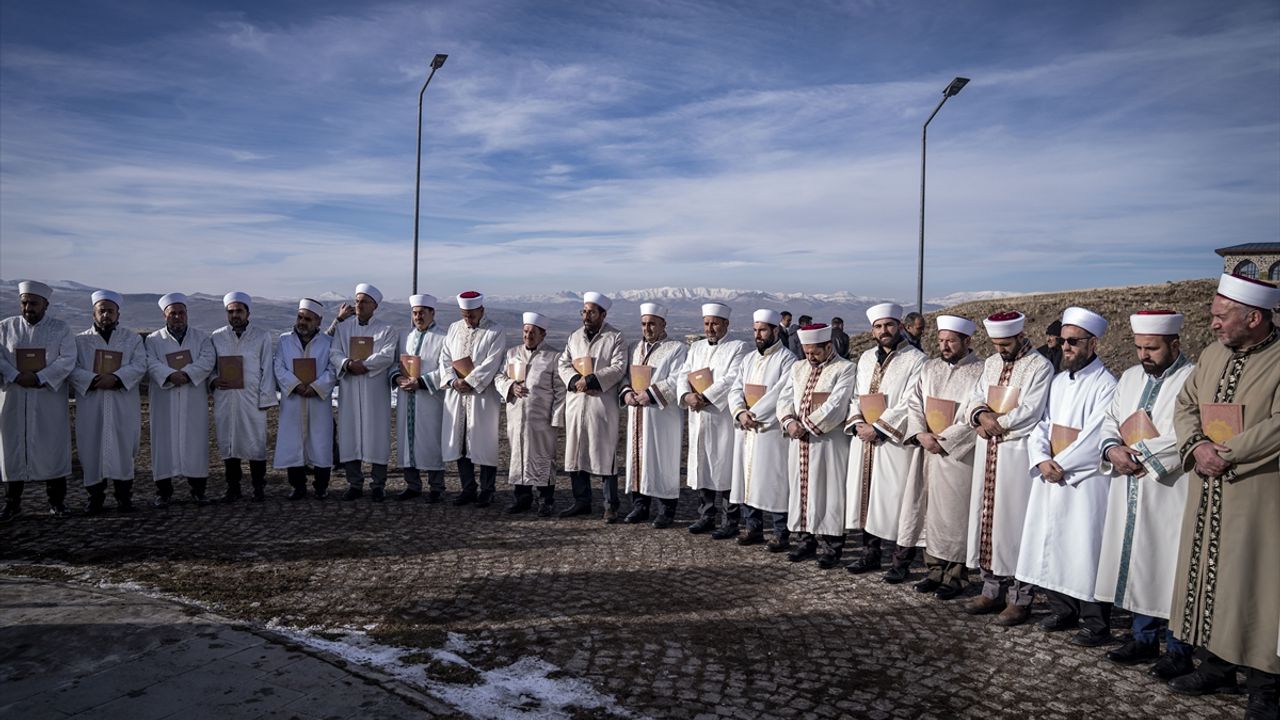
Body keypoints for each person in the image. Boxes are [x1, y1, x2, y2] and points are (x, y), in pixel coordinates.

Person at [1168, 273, 1279, 712]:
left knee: (1259, 584)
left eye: (1221, 316)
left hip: (1257, 492)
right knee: (1210, 576)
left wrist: (1227, 454)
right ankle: (1215, 667)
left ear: (1254, 318)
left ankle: (1265, 686)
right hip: (1208, 489)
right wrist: (1197, 446)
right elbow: (1185, 405)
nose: (1212, 324)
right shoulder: (1213, 355)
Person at [1094, 310, 1194, 678]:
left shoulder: (1193, 377)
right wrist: (1111, 449)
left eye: (1152, 348)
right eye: (1139, 348)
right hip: (1128, 481)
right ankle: (1143, 638)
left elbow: (1190, 431)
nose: (1143, 355)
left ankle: (1178, 649)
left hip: (1170, 486)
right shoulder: (1130, 377)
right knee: (1136, 557)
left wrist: (1143, 456)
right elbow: (1110, 419)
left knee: (1169, 564)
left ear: (1174, 344)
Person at [1017, 307, 1118, 647]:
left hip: (1084, 481)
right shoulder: (1059, 381)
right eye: (1063, 341)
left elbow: (1097, 435)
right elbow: (1042, 424)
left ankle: (1095, 622)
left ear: (1093, 343)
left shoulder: (1107, 385)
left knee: (1084, 547)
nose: (1066, 347)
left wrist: (1059, 464)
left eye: (1073, 341)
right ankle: (1063, 609)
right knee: (1052, 541)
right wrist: (1041, 458)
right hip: (1052, 474)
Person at [960, 311, 1054, 627]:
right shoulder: (990, 363)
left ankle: (1020, 598)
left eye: (1006, 344)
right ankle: (991, 590)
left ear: (1020, 336)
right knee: (988, 520)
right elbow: (975, 397)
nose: (1000, 350)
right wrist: (979, 416)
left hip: (1016, 455)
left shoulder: (1039, 366)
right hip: (988, 451)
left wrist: (994, 423)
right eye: (996, 344)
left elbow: (1031, 410)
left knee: (1016, 525)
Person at [844, 302, 927, 583]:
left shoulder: (916, 359)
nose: (884, 331)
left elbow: (911, 402)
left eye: (889, 325)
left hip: (893, 443)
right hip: (864, 440)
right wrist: (858, 423)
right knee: (866, 498)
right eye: (878, 327)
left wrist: (878, 428)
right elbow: (856, 395)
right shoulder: (866, 358)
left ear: (900, 326)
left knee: (897, 500)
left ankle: (901, 561)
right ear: (872, 331)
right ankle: (870, 553)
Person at [903, 315, 983, 600]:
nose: (944, 346)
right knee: (928, 510)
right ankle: (934, 570)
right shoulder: (930, 367)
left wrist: (945, 440)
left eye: (951, 341)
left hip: (956, 455)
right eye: (940, 341)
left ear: (967, 340)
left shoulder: (980, 371)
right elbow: (914, 402)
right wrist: (920, 433)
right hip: (927, 449)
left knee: (954, 514)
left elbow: (976, 411)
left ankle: (955, 576)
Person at [776, 323, 858, 568]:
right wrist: (789, 421)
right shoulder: (798, 367)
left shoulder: (845, 368)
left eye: (816, 352)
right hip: (799, 442)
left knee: (829, 492)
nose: (810, 357)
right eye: (807, 352)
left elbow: (837, 404)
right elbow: (785, 397)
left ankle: (832, 547)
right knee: (800, 491)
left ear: (828, 347)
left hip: (828, 443)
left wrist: (806, 426)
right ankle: (805, 541)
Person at [0, 280, 76, 521]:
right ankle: (12, 503)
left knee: (52, 447)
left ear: (45, 305)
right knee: (13, 449)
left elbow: (67, 359)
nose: (28, 308)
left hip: (47, 398)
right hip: (14, 396)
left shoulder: (61, 329)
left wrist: (40, 377)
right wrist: (15, 375)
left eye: (33, 303)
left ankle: (57, 501)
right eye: (24, 303)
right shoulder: (5, 327)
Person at [70, 289, 147, 514]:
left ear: (117, 314)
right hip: (92, 403)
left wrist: (116, 378)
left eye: (110, 311)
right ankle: (95, 498)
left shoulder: (132, 339)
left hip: (122, 403)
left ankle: (124, 498)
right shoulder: (80, 341)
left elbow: (140, 365)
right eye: (101, 311)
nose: (106, 315)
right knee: (91, 448)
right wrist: (93, 379)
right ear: (93, 313)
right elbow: (71, 368)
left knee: (124, 448)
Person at [678, 302, 751, 536]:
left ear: (726, 324)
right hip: (699, 416)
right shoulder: (696, 347)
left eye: (715, 324)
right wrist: (687, 395)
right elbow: (683, 373)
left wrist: (705, 397)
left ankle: (730, 520)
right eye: (707, 323)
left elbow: (732, 378)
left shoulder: (738, 347)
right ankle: (706, 515)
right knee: (702, 466)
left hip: (722, 417)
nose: (710, 328)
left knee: (725, 467)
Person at [728, 309, 797, 548]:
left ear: (775, 330)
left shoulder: (788, 359)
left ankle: (781, 533)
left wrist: (753, 414)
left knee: (774, 480)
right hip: (746, 428)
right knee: (747, 478)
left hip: (769, 430)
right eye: (755, 330)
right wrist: (740, 412)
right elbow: (736, 388)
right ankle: (753, 528)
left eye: (763, 330)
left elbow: (781, 393)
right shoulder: (748, 359)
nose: (758, 335)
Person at [557, 292, 626, 521]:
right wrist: (575, 380)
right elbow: (563, 363)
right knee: (576, 452)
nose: (586, 316)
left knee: (605, 453)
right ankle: (581, 501)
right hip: (577, 402)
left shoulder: (615, 337)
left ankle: (610, 505)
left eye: (591, 312)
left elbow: (618, 367)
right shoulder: (574, 337)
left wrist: (593, 379)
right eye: (584, 312)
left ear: (603, 315)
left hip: (601, 403)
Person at [620, 303, 688, 528]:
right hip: (637, 413)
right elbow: (625, 376)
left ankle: (666, 509)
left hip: (662, 416)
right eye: (644, 324)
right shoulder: (634, 348)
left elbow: (677, 379)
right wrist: (627, 392)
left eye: (652, 324)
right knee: (638, 458)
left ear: (663, 324)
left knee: (662, 459)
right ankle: (640, 505)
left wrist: (650, 394)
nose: (647, 328)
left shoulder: (676, 349)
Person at [145, 292, 217, 506]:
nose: (177, 317)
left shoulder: (201, 338)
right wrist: (169, 375)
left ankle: (198, 490)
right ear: (165, 316)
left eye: (181, 313)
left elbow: (208, 360)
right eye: (172, 313)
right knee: (163, 444)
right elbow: (149, 362)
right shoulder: (153, 340)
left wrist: (186, 374)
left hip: (192, 397)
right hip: (164, 398)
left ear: (187, 314)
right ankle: (163, 491)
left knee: (195, 443)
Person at [330, 283, 398, 501]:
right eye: (357, 301)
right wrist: (347, 364)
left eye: (365, 302)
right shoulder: (343, 329)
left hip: (374, 391)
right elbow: (334, 352)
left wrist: (365, 365)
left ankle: (378, 484)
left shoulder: (386, 330)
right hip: (350, 389)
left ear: (374, 306)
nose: (359, 305)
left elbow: (387, 355)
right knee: (350, 435)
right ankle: (354, 483)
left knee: (377, 436)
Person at [440, 290, 506, 507]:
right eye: (464, 315)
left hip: (482, 395)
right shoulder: (454, 328)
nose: (468, 318)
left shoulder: (495, 330)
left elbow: (492, 362)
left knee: (484, 442)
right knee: (460, 442)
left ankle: (487, 490)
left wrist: (470, 381)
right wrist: (453, 381)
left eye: (472, 314)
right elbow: (445, 358)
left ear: (481, 310)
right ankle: (468, 488)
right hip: (457, 395)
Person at [209, 291, 277, 502]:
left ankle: (258, 486)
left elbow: (267, 368)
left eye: (239, 311)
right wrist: (213, 380)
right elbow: (210, 367)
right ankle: (233, 488)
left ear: (248, 313)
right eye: (231, 312)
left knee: (256, 444)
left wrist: (265, 398)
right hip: (226, 398)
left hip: (252, 399)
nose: (235, 315)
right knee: (229, 443)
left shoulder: (261, 336)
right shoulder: (217, 337)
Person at [495, 312, 564, 515]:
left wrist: (556, 418)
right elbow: (499, 377)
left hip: (542, 420)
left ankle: (545, 500)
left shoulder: (553, 356)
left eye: (533, 332)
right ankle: (522, 498)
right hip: (517, 417)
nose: (528, 335)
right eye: (525, 331)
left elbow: (561, 390)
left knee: (543, 458)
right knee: (519, 456)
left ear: (543, 334)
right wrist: (510, 386)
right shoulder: (512, 353)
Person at [273, 299, 335, 500]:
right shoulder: (284, 340)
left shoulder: (327, 342)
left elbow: (333, 369)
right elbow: (278, 367)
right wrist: (296, 385)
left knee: (321, 443)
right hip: (293, 400)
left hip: (318, 401)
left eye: (308, 319)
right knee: (293, 442)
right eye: (300, 317)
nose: (302, 322)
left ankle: (321, 487)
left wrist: (317, 387)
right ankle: (298, 486)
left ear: (318, 321)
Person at [390, 294, 449, 503]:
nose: (418, 317)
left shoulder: (443, 338)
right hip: (406, 397)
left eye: (422, 313)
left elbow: (445, 369)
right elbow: (394, 364)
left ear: (432, 313)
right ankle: (412, 485)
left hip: (430, 400)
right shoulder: (405, 336)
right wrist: (397, 378)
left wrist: (421, 382)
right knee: (407, 441)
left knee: (432, 442)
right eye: (415, 313)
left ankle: (437, 487)